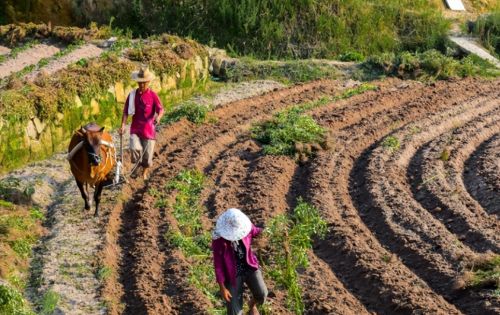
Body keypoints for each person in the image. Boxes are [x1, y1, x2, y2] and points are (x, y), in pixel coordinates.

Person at [212, 208, 268, 315]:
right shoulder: (219, 240)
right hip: (232, 273)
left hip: (248, 265)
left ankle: (252, 305)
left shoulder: (245, 227)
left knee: (262, 294)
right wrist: (222, 288)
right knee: (234, 312)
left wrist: (268, 232)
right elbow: (218, 265)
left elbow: (256, 231)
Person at [119, 67, 164, 180]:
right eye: (140, 83)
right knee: (134, 147)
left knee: (147, 158)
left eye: (144, 83)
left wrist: (158, 117)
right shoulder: (132, 95)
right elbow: (125, 112)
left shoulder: (153, 95)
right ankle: (137, 164)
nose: (142, 85)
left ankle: (144, 172)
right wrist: (123, 126)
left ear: (148, 82)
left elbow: (161, 109)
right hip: (135, 129)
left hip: (149, 130)